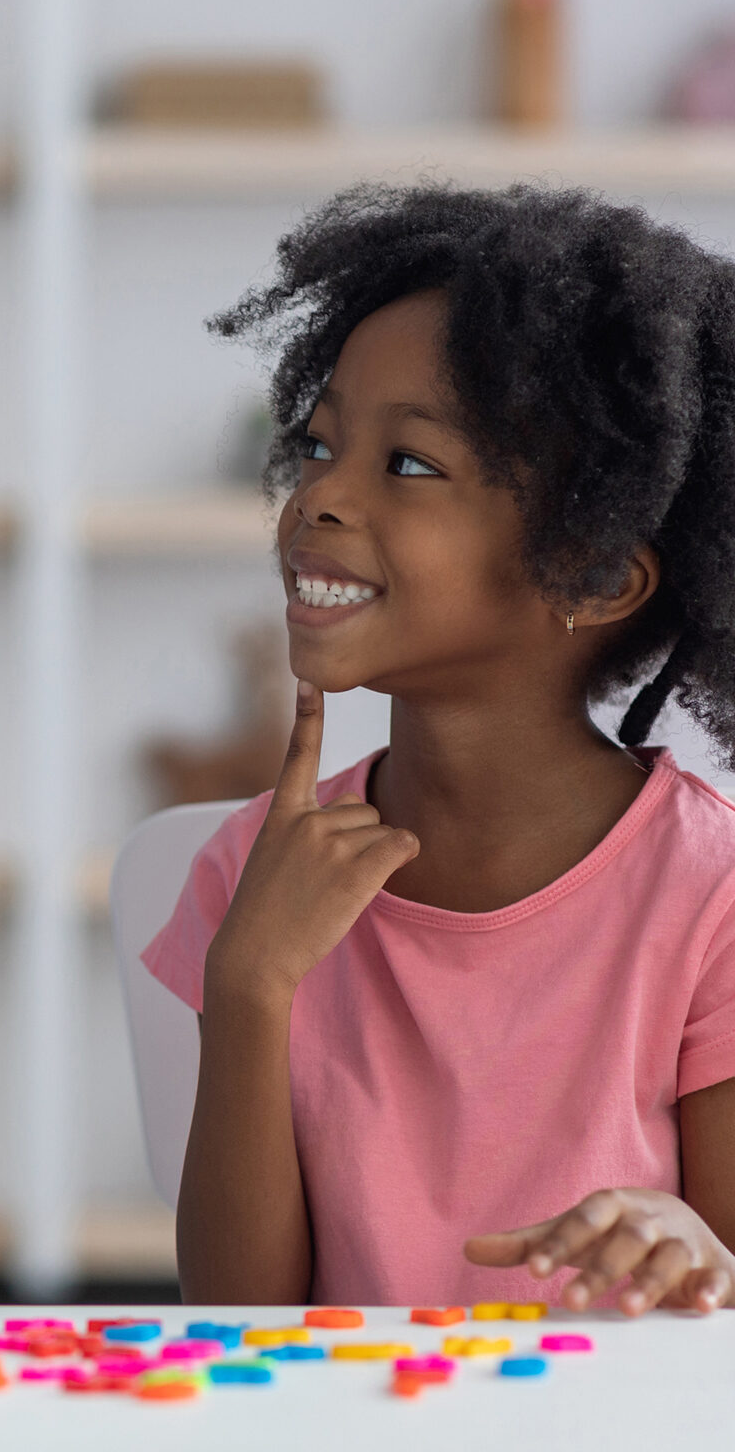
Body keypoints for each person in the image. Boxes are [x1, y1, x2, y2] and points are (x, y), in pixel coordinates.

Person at [147, 182, 735, 1313]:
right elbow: (241, 1318)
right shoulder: (254, 871)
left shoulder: (708, 900)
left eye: (408, 465)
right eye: (319, 445)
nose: (319, 495)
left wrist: (685, 1245)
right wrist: (251, 978)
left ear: (594, 576)